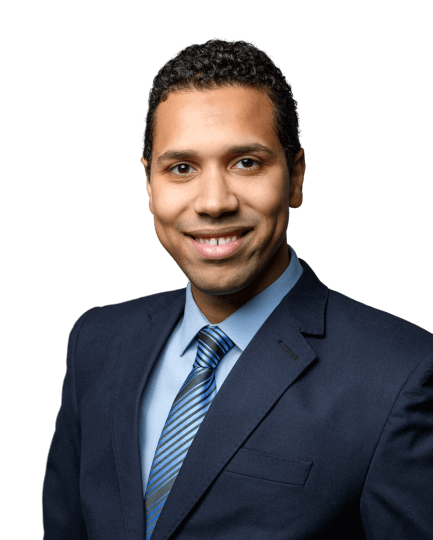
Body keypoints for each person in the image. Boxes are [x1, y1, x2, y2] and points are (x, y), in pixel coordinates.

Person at [43, 38, 433, 540]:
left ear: (296, 176)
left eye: (246, 162)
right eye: (181, 168)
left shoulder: (402, 373)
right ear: (149, 185)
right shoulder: (96, 340)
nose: (213, 202)